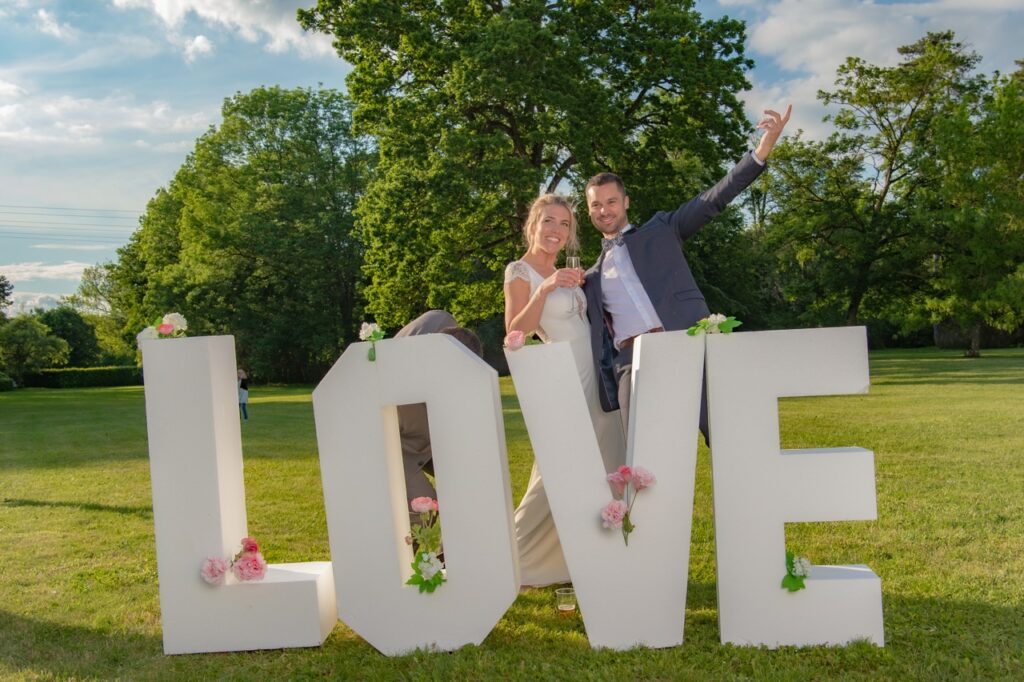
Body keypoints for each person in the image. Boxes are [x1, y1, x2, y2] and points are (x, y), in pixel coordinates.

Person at [582, 106, 792, 441]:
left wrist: (762, 150)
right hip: (632, 365)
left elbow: (713, 199)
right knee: (642, 455)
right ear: (589, 210)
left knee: (730, 437)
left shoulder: (663, 229)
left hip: (685, 343)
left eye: (611, 201)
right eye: (596, 204)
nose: (604, 210)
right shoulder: (590, 277)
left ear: (626, 202)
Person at [504, 194, 627, 587]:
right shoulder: (519, 271)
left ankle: (598, 556)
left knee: (607, 466)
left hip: (598, 379)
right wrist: (545, 290)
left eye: (564, 224)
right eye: (549, 222)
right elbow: (515, 334)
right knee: (554, 473)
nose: (557, 230)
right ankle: (511, 560)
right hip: (565, 380)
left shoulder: (568, 271)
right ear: (533, 224)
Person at [394, 310, 484, 528]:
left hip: (431, 439)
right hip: (397, 444)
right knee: (424, 507)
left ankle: (458, 548)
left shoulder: (443, 322)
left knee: (470, 484)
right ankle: (415, 558)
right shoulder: (403, 374)